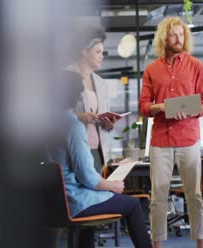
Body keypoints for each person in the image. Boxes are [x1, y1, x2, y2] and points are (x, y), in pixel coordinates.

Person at [47, 71, 152, 248]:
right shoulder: (73, 127)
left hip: (53, 202)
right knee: (133, 204)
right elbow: (87, 177)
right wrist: (113, 186)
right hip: (75, 201)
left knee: (94, 211)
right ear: (77, 96)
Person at [139, 16, 203, 248]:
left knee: (195, 196)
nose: (178, 39)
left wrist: (190, 111)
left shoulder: (196, 66)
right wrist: (162, 107)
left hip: (188, 139)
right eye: (173, 34)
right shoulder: (151, 69)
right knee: (158, 197)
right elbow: (143, 105)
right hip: (161, 140)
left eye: (181, 35)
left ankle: (200, 244)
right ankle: (157, 245)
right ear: (164, 37)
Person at [67, 24, 116, 173]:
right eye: (98, 52)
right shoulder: (66, 76)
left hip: (98, 151)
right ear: (84, 52)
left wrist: (109, 124)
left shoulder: (100, 83)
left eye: (102, 52)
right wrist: (79, 117)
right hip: (75, 149)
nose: (102, 56)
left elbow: (105, 115)